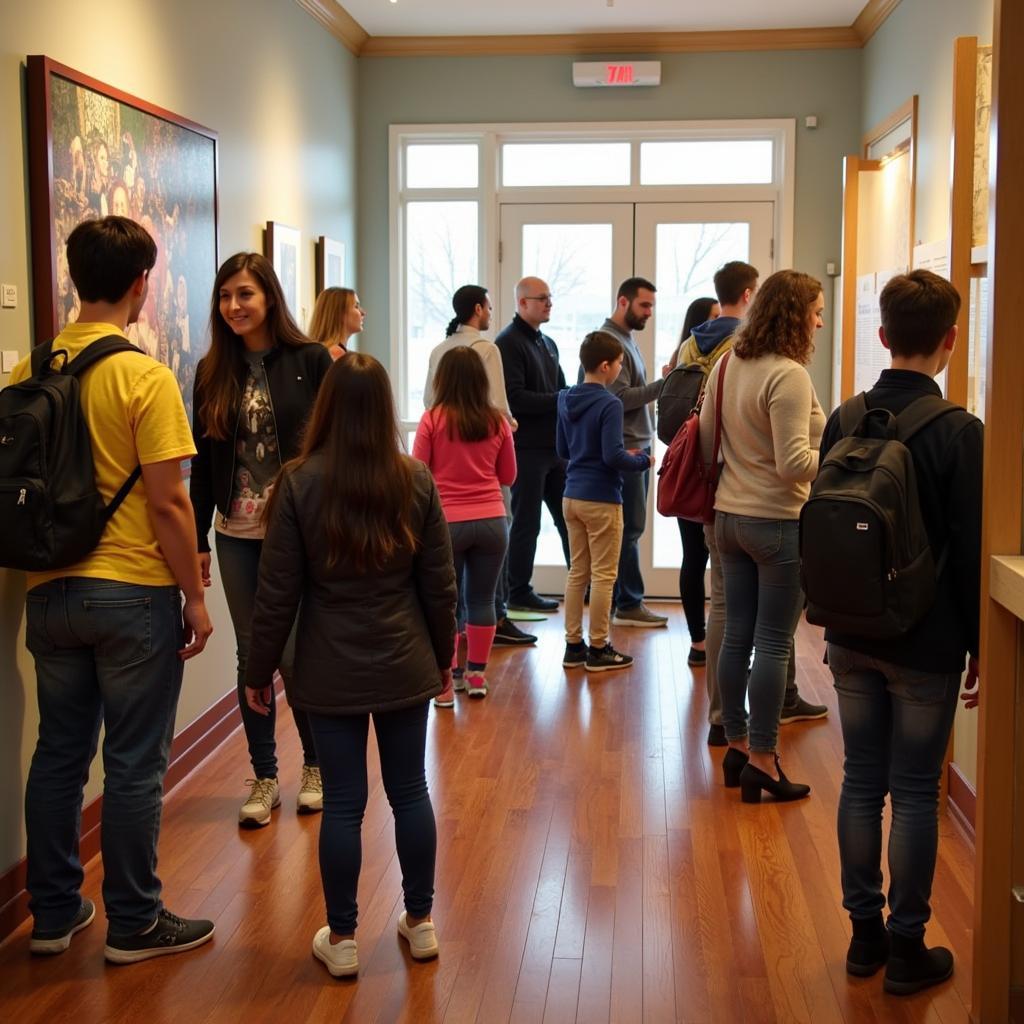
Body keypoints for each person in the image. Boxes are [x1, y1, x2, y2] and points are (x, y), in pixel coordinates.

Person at [14, 216, 214, 963]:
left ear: (73, 277)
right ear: (140, 285)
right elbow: (168, 502)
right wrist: (195, 597)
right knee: (134, 762)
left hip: (49, 593)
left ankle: (54, 914)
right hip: (129, 591)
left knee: (58, 755)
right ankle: (134, 922)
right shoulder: (143, 376)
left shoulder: (28, 369)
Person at [244, 353, 456, 979]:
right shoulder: (414, 479)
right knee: (410, 789)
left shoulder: (298, 482)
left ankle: (341, 940)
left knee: (342, 804)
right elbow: (439, 587)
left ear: (327, 406)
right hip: (403, 660)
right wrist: (442, 659)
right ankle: (420, 924)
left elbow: (276, 593)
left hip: (327, 667)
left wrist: (258, 671)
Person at [818, 271, 982, 995]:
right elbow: (973, 546)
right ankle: (908, 948)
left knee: (860, 780)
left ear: (882, 336)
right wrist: (981, 646)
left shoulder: (845, 416)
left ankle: (863, 939)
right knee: (916, 791)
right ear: (949, 341)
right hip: (926, 641)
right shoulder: (960, 433)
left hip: (850, 634)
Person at [191, 253, 332, 827]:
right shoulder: (210, 371)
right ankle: (265, 775)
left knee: (297, 652)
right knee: (253, 653)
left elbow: (330, 445)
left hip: (297, 530)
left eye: (244, 294)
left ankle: (317, 765)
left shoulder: (311, 360)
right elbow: (203, 461)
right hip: (236, 532)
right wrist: (198, 535)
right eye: (224, 297)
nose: (233, 307)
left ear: (269, 296)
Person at [699, 269, 825, 803]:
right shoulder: (788, 374)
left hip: (728, 518)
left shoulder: (729, 362)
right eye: (816, 311)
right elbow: (796, 464)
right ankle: (765, 760)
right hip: (776, 522)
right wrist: (841, 459)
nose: (820, 321)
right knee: (773, 641)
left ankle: (736, 746)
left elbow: (706, 437)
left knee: (736, 636)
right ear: (796, 315)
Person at [424, 285, 531, 645]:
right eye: (488, 305)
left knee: (446, 592)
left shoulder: (439, 351)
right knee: (485, 589)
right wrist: (504, 428)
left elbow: (427, 405)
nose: (490, 311)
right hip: (486, 494)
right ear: (476, 309)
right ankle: (491, 633)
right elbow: (500, 405)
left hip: (445, 502)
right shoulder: (486, 349)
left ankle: (448, 670)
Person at [414, 346, 516, 703]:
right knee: (482, 598)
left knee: (446, 603)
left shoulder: (432, 419)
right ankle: (475, 675)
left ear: (442, 378)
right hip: (492, 520)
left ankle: (446, 682)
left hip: (446, 524)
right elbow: (509, 475)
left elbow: (418, 473)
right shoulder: (497, 421)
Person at [558, 332, 652, 672]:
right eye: (619, 364)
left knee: (577, 573)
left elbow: (563, 451)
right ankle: (598, 648)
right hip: (601, 499)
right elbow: (614, 457)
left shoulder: (564, 398)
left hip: (571, 496)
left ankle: (573, 647)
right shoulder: (609, 403)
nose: (619, 370)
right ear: (605, 365)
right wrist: (642, 460)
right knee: (603, 576)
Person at [592, 277, 668, 627]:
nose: (649, 313)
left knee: (632, 527)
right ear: (623, 302)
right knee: (629, 529)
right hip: (627, 446)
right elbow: (618, 399)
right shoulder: (609, 342)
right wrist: (664, 386)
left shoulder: (626, 340)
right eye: (644, 306)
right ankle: (628, 603)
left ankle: (625, 601)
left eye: (652, 306)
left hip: (639, 443)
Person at [495, 277, 572, 615]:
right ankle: (518, 591)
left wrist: (564, 398)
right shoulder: (508, 343)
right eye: (542, 298)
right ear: (522, 303)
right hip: (525, 449)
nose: (549, 303)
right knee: (527, 522)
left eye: (550, 297)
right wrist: (560, 399)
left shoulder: (548, 343)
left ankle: (582, 584)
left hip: (554, 448)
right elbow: (515, 398)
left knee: (570, 519)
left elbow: (563, 389)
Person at [668, 295, 720, 668]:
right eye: (713, 317)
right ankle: (718, 645)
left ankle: (698, 643)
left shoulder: (683, 351)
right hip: (716, 469)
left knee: (692, 557)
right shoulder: (732, 353)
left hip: (685, 463)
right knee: (719, 563)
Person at [308, 286, 365, 360]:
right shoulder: (336, 354)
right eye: (356, 306)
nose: (363, 313)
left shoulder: (315, 351)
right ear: (339, 313)